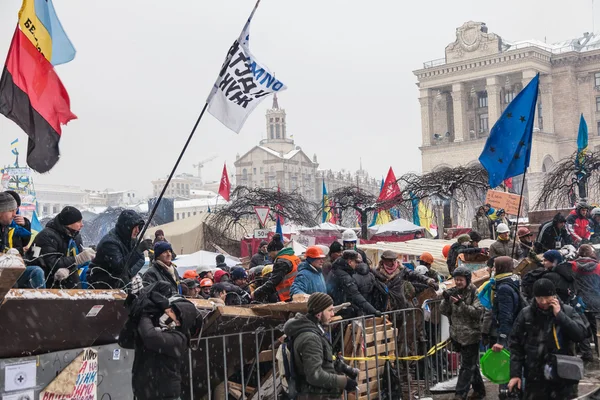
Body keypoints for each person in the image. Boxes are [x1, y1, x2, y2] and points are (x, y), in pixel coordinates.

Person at [508, 278, 588, 399]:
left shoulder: (567, 311)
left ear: (554, 295)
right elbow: (515, 345)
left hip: (564, 373)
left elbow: (580, 334)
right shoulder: (526, 314)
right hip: (535, 374)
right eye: (540, 298)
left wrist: (560, 316)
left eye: (547, 297)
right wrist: (515, 374)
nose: (544, 302)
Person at [283, 293, 358, 399]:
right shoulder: (310, 338)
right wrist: (343, 382)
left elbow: (322, 357)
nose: (333, 314)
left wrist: (342, 367)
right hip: (316, 395)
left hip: (322, 393)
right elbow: (314, 375)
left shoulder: (314, 329)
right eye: (329, 310)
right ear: (318, 313)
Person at [131, 295, 200, 400]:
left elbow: (150, 337)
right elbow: (124, 341)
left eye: (172, 312)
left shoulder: (179, 339)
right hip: (144, 392)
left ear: (179, 322)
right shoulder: (157, 329)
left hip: (163, 395)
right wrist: (134, 315)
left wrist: (144, 313)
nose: (167, 312)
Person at [440, 266, 485, 400]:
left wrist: (461, 304)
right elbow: (444, 311)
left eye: (461, 280)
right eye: (456, 280)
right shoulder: (454, 291)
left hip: (472, 335)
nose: (458, 282)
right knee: (471, 365)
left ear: (467, 279)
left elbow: (478, 312)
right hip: (457, 335)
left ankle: (460, 394)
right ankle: (479, 391)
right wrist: (446, 299)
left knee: (466, 366)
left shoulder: (474, 292)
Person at [27, 206, 93, 289]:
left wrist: (70, 268)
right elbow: (52, 263)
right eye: (78, 221)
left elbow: (80, 261)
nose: (82, 224)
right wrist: (76, 259)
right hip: (48, 282)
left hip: (72, 283)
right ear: (69, 223)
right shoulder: (47, 236)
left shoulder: (76, 236)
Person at [88, 210, 148, 290]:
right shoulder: (109, 243)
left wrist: (129, 273)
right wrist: (138, 250)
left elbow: (141, 259)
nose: (137, 231)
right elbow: (119, 268)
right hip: (104, 285)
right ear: (126, 227)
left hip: (121, 282)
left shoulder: (130, 238)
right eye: (134, 227)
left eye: (139, 227)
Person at [489, 256, 523, 399]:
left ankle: (509, 394)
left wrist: (502, 340)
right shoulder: (513, 281)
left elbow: (505, 315)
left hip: (508, 334)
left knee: (506, 368)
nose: (492, 270)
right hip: (515, 331)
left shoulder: (503, 288)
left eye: (494, 267)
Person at [328, 250, 380, 319]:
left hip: (335, 307)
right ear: (349, 262)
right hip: (340, 309)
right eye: (356, 262)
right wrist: (373, 311)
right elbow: (355, 295)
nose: (357, 264)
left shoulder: (336, 269)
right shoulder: (344, 276)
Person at [570, 244, 600, 362]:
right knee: (596, 329)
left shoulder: (573, 266)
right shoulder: (598, 267)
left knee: (582, 326)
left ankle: (586, 352)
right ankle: (599, 351)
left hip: (580, 301)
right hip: (596, 301)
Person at [5, 191, 31, 255]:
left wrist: (25, 225)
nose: (14, 214)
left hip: (15, 259)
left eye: (16, 209)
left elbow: (25, 243)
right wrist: (20, 250)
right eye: (12, 210)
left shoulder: (22, 221)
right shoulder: (4, 222)